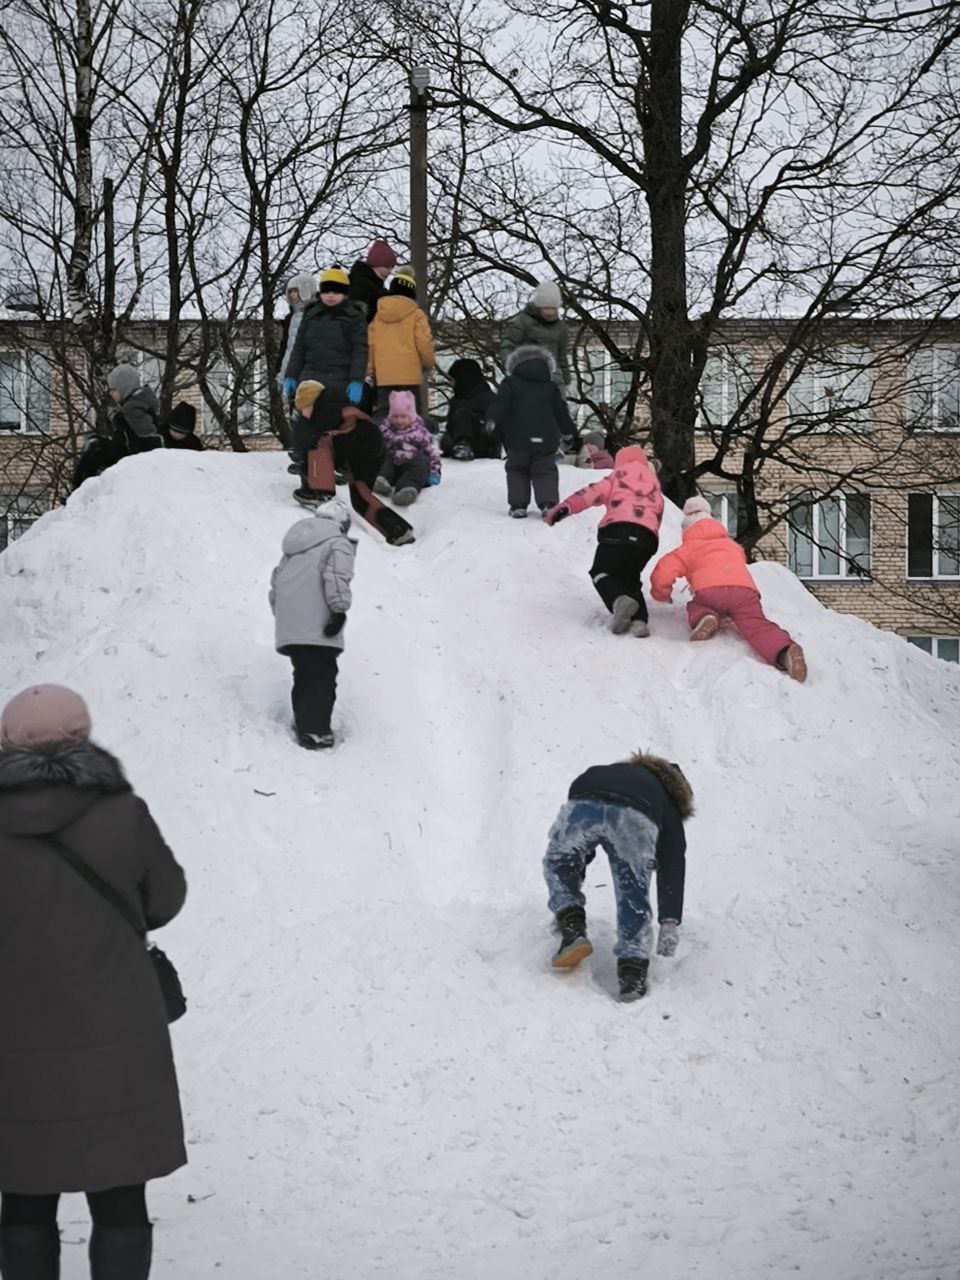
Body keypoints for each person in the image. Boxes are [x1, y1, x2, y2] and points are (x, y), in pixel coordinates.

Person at [0, 684, 187, 1278]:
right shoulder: (122, 812)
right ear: (81, 736)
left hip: (14, 1033)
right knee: (120, 1194)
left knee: (22, 1191)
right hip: (117, 1028)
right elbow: (165, 899)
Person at [543, 752, 693, 1001]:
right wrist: (669, 920)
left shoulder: (612, 771)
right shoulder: (666, 798)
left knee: (560, 861)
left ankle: (571, 924)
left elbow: (578, 849)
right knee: (632, 889)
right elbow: (672, 860)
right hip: (633, 816)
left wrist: (575, 875)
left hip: (583, 801)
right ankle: (632, 972)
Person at [650, 495, 808, 681]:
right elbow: (738, 562)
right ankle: (784, 651)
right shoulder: (732, 546)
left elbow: (664, 570)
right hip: (744, 591)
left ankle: (705, 617)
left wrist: (661, 593)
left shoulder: (688, 548)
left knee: (698, 605)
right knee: (756, 625)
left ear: (687, 531)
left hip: (710, 591)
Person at [543, 444, 664, 637]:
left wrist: (565, 508)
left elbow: (590, 494)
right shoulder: (655, 487)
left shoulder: (617, 477)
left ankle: (618, 601)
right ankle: (639, 621)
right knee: (630, 578)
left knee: (601, 571)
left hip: (617, 532)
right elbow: (658, 517)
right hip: (647, 539)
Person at [269, 499, 356, 749]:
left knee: (305, 674)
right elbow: (336, 576)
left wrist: (284, 616)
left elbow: (276, 583)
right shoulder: (337, 542)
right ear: (342, 524)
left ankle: (305, 724)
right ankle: (315, 731)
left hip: (291, 624)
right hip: (318, 622)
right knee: (322, 676)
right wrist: (339, 610)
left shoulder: (294, 547)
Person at [290, 384, 415, 546]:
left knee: (318, 440)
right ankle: (399, 532)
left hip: (358, 439)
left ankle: (320, 493)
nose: (303, 413)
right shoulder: (342, 406)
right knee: (360, 499)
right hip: (372, 450)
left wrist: (305, 472)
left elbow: (312, 446)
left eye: (303, 407)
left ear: (311, 400)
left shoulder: (327, 405)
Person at [487, 344, 574, 518]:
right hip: (546, 438)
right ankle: (548, 504)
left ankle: (518, 505)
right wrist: (568, 431)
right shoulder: (550, 387)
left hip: (517, 438)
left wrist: (492, 419)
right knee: (545, 470)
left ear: (515, 365)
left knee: (517, 469)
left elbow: (500, 405)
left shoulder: (509, 384)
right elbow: (560, 411)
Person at [283, 266, 368, 407]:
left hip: (340, 382)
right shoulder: (311, 315)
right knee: (306, 419)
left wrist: (356, 380)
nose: (330, 295)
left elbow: (359, 351)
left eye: (336, 291)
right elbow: (299, 349)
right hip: (309, 381)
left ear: (345, 294)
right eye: (327, 291)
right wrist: (291, 375)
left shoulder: (354, 317)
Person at [366, 268, 434, 416]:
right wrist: (427, 363)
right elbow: (424, 343)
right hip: (410, 378)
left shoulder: (378, 316)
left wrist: (370, 371)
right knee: (412, 418)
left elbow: (371, 345)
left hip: (384, 378)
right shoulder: (417, 315)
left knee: (385, 416)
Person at [499, 281, 572, 393]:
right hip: (527, 380)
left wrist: (567, 380)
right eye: (546, 308)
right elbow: (507, 347)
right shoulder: (521, 323)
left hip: (554, 381)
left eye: (553, 308)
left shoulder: (560, 327)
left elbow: (562, 356)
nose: (550, 312)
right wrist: (514, 368)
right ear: (538, 306)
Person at [374, 390, 441, 506]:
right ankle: (381, 480)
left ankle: (406, 490)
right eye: (395, 417)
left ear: (411, 416)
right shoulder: (385, 429)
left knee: (422, 461)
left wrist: (434, 472)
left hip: (410, 469)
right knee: (384, 456)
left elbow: (432, 453)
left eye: (403, 417)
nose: (399, 420)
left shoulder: (420, 432)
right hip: (391, 470)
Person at [439, 359, 498, 461]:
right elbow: (450, 427)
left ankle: (464, 444)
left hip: (482, 443)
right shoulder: (456, 400)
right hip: (456, 441)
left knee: (463, 415)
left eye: (453, 380)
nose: (451, 383)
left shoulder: (488, 399)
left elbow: (495, 429)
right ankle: (459, 446)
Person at [275, 273, 318, 396]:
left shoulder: (318, 315)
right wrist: (281, 373)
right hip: (293, 373)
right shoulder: (292, 317)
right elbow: (287, 348)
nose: (292, 295)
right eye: (290, 292)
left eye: (296, 291)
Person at [106, 364, 163, 454]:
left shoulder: (132, 409)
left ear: (124, 388)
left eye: (114, 389)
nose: (110, 393)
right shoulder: (141, 405)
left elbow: (150, 442)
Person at [348, 239, 397, 322]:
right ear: (377, 264)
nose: (390, 271)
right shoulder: (361, 285)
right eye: (387, 267)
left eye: (392, 267)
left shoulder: (377, 286)